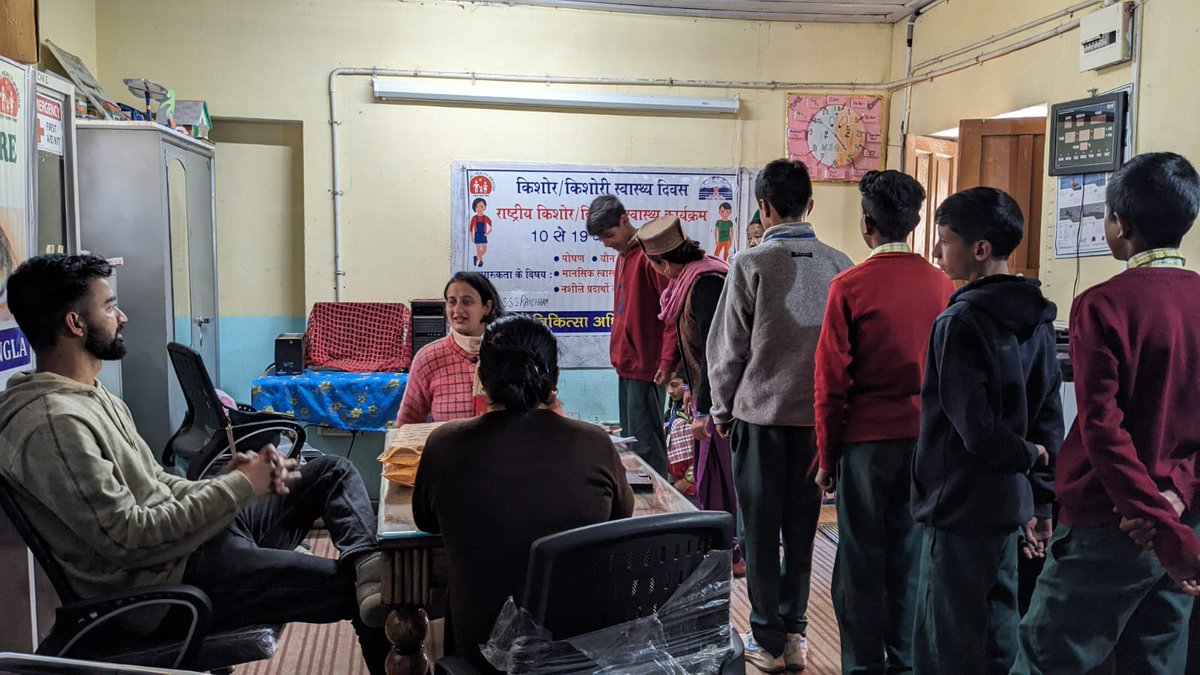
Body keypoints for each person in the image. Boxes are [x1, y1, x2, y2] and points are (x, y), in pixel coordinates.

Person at [0, 254, 389, 673]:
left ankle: (366, 559)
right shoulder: (54, 424)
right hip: (169, 585)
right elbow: (128, 540)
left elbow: (159, 487)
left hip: (191, 545)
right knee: (376, 593)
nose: (123, 316)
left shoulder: (92, 396)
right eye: (110, 306)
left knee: (331, 472)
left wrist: (228, 481)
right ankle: (371, 577)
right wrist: (239, 487)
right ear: (75, 324)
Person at [1013, 152, 1200, 674]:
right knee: (1156, 658)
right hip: (1183, 516)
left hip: (1110, 519)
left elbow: (1102, 428)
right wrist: (1176, 500)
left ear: (1121, 223)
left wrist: (1151, 516)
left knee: (1047, 657)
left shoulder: (1104, 303)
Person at [413, 314, 634, 671]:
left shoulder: (445, 444)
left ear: (482, 379)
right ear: (555, 380)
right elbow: (620, 517)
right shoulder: (595, 442)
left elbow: (424, 520)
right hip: (581, 655)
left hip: (483, 655)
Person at [908, 187, 1063, 675]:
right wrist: (1040, 500)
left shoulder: (959, 320)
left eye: (945, 240)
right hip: (1009, 503)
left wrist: (1026, 456)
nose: (936, 252)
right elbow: (1048, 416)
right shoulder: (1036, 317)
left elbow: (974, 428)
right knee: (999, 620)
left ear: (979, 249)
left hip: (958, 501)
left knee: (945, 632)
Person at [708, 158, 853, 673]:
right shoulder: (842, 265)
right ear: (810, 205)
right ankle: (797, 635)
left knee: (761, 532)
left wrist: (721, 412)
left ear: (764, 208)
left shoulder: (750, 264)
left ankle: (766, 640)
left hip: (761, 421)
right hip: (818, 423)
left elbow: (727, 351)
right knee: (804, 529)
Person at [813, 170, 954, 674]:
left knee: (859, 561)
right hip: (926, 445)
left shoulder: (849, 286)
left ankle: (862, 665)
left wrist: (827, 459)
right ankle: (907, 660)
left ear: (866, 223)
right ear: (914, 224)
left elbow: (830, 384)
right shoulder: (943, 285)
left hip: (866, 446)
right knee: (912, 559)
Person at [640, 215, 744, 577]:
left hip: (723, 405)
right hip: (710, 398)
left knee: (720, 481)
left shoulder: (705, 285)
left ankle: (732, 553)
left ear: (664, 264)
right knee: (709, 481)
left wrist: (704, 409)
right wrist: (686, 386)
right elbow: (694, 347)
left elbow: (716, 352)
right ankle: (718, 551)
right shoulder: (692, 280)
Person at [587, 194, 676, 478]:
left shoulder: (650, 257)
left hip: (647, 369)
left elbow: (671, 313)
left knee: (647, 449)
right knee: (631, 446)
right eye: (601, 239)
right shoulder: (624, 257)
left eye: (609, 235)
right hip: (626, 365)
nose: (607, 244)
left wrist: (667, 362)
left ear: (625, 220)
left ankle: (662, 515)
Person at [396, 272, 503, 425]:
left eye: (467, 301)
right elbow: (407, 425)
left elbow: (542, 414)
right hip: (446, 449)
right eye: (452, 302)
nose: (457, 310)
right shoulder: (428, 358)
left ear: (487, 307)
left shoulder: (511, 354)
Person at [469, 197, 493, 268]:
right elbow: (471, 229)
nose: (479, 209)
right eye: (477, 207)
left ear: (485, 207)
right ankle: (481, 261)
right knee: (478, 249)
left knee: (485, 249)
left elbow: (492, 226)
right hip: (477, 234)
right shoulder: (474, 218)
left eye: (481, 206)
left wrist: (487, 233)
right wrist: (472, 237)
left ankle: (476, 257)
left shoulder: (486, 218)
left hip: (483, 234)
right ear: (474, 208)